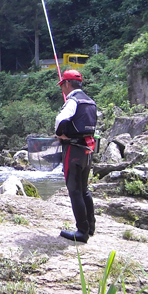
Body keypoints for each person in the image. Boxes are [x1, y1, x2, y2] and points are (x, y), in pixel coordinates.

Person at [55, 69, 97, 243]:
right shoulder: (90, 101)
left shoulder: (73, 101)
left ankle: (81, 232)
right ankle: (91, 226)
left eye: (62, 85)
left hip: (72, 149)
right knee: (84, 189)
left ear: (66, 84)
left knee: (74, 191)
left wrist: (59, 134)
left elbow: (60, 120)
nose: (62, 89)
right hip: (87, 150)